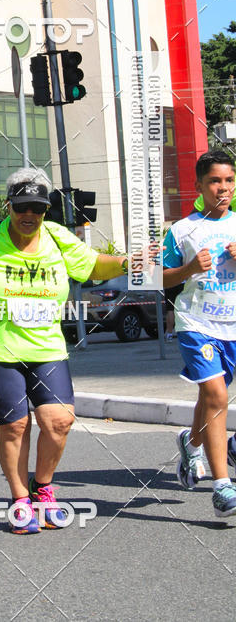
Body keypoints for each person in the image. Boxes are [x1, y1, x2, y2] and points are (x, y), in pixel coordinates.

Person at [0, 167, 139, 534]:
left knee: (59, 420)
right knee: (16, 424)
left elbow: (94, 264)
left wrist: (135, 262)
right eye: (22, 208)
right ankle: (20, 501)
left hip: (46, 346)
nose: (29, 215)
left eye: (37, 208)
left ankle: (42, 488)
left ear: (46, 209)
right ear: (9, 206)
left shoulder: (58, 238)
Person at [164, 150, 236, 517]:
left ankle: (192, 446)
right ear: (199, 186)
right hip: (197, 324)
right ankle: (223, 488)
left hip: (234, 326)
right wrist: (189, 268)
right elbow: (157, 278)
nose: (222, 188)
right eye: (214, 181)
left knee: (212, 402)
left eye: (228, 180)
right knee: (216, 395)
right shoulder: (182, 229)